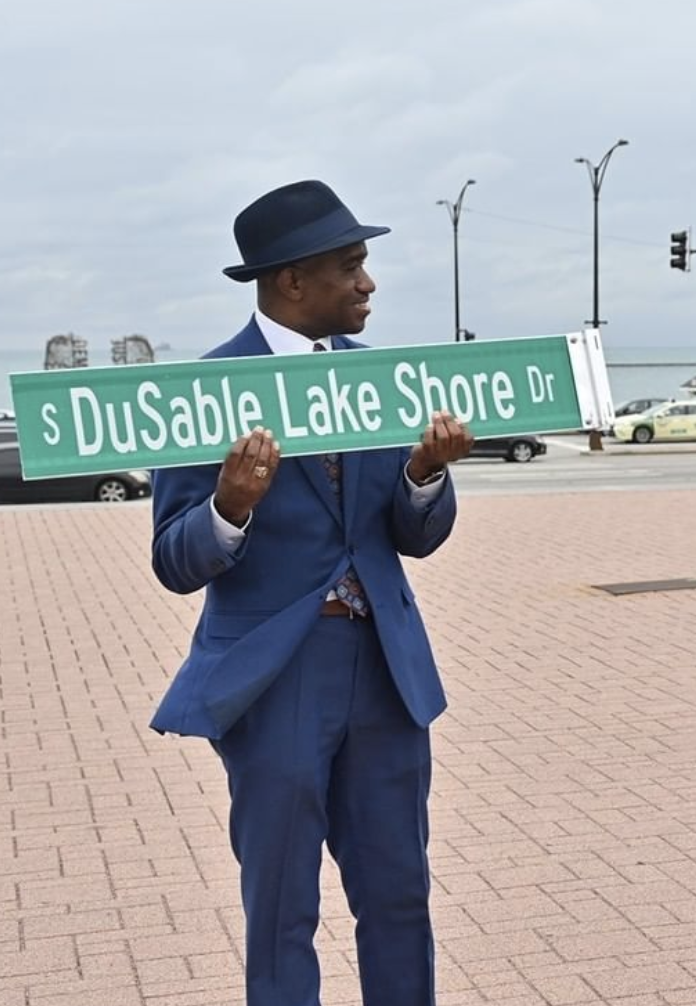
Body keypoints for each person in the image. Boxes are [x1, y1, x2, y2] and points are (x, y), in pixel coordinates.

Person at [149, 179, 474, 1006]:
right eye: (351, 265)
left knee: (400, 896)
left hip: (386, 673)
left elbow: (418, 536)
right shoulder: (205, 389)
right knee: (283, 907)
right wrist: (231, 506)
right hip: (276, 677)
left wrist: (425, 473)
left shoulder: (387, 380)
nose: (368, 283)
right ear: (291, 281)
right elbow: (174, 560)